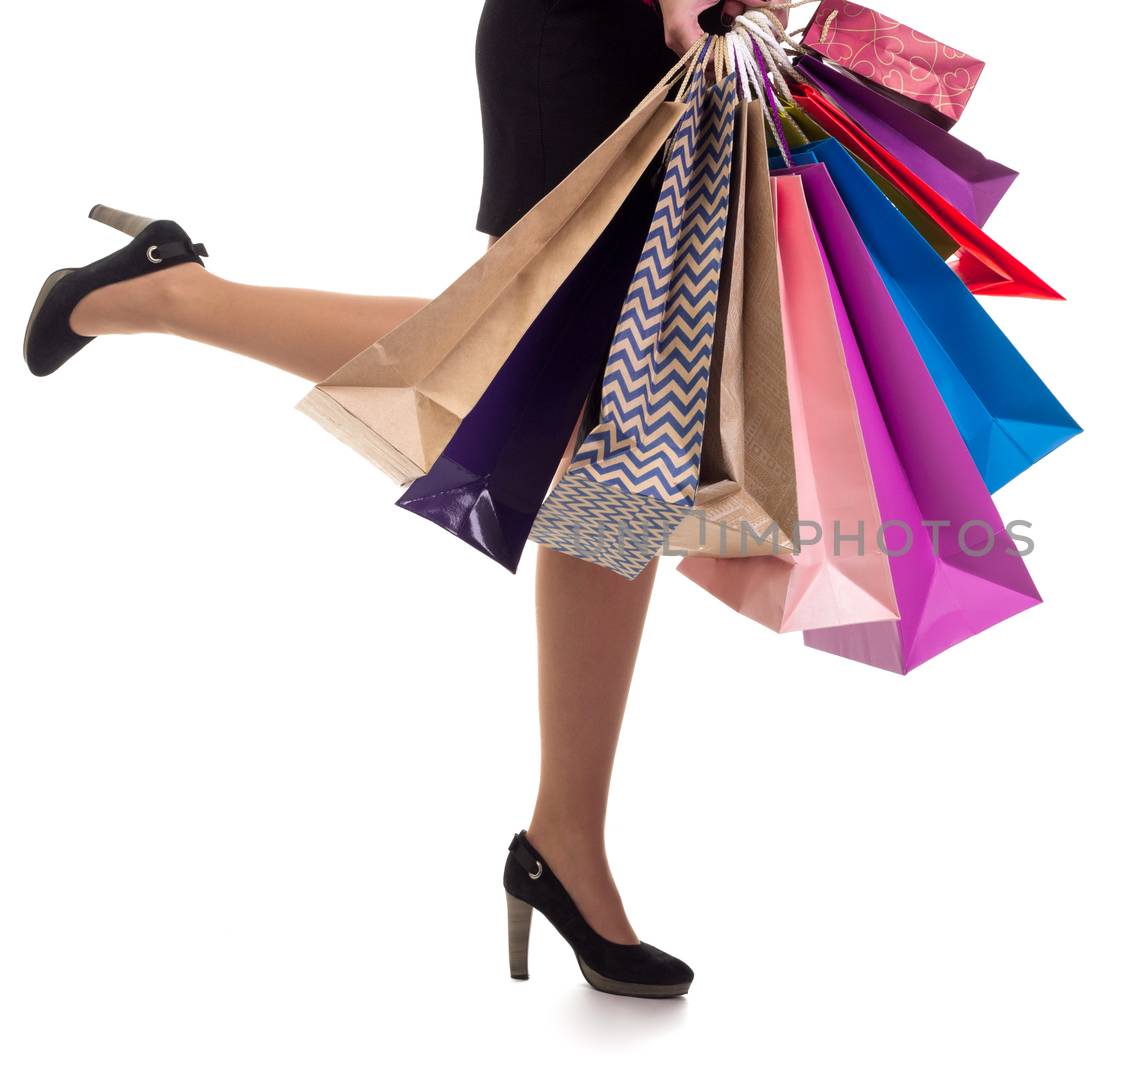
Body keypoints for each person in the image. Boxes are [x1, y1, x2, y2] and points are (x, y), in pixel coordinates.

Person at [21, 0, 782, 1000]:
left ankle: (567, 838)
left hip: (711, 49)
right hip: (593, 30)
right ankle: (170, 293)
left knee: (629, 435)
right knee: (557, 373)